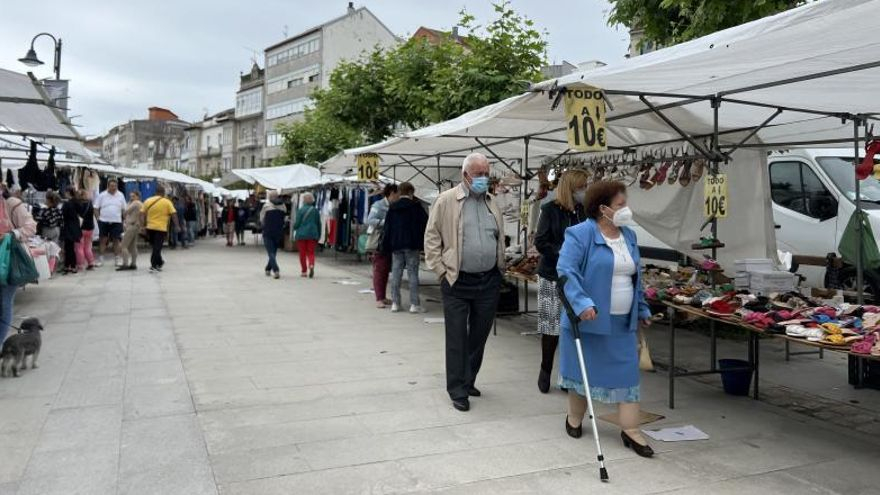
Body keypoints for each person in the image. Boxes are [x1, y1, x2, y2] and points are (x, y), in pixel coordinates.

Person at [556, 180, 654, 458]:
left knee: (627, 378)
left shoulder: (629, 237)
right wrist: (582, 303)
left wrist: (642, 309)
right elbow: (566, 271)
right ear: (603, 209)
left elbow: (637, 279)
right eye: (621, 205)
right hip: (588, 321)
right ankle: (574, 418)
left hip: (622, 323)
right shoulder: (580, 234)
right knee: (582, 374)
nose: (627, 210)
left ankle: (631, 430)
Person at [424, 153, 505, 412]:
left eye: (486, 173)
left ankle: (468, 378)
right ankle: (457, 389)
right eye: (478, 174)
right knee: (457, 336)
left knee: (479, 334)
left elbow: (497, 235)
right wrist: (440, 271)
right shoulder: (446, 200)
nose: (483, 178)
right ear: (465, 175)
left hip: (488, 280)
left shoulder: (492, 202)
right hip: (457, 280)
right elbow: (432, 237)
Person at [534, 169, 589, 393]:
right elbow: (541, 241)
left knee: (573, 328)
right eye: (582, 187)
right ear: (571, 188)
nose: (585, 191)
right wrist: (565, 254)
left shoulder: (584, 211)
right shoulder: (550, 209)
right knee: (551, 328)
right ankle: (545, 369)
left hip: (578, 278)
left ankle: (568, 374)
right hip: (553, 276)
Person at [382, 182, 428, 314]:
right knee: (413, 273)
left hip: (396, 245)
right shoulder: (416, 207)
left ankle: (396, 303)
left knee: (396, 273)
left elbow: (387, 228)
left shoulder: (393, 207)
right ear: (411, 192)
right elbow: (425, 224)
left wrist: (387, 245)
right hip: (412, 244)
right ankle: (414, 304)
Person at [0, 183, 36, 344]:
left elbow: (30, 227)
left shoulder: (11, 203)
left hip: (8, 262)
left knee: (4, 303)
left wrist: (10, 235)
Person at [366, 184, 399, 308]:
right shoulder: (378, 205)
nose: (399, 196)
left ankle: (383, 296)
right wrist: (387, 223)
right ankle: (379, 298)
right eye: (397, 194)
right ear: (391, 193)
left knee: (386, 271)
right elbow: (370, 220)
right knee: (380, 270)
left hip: (391, 242)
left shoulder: (395, 206)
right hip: (380, 243)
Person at [141, 185, 179, 273]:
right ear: (163, 193)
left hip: (150, 227)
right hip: (161, 228)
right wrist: (177, 225)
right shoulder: (167, 202)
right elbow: (174, 214)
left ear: (155, 192)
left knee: (155, 247)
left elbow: (142, 213)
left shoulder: (148, 200)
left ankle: (159, 262)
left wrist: (142, 225)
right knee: (157, 247)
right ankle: (154, 265)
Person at [93, 179, 126, 266]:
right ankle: (101, 259)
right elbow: (96, 207)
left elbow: (123, 209)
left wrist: (125, 220)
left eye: (115, 186)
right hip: (103, 221)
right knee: (103, 240)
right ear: (108, 186)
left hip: (117, 221)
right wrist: (98, 218)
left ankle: (117, 259)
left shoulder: (121, 195)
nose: (113, 188)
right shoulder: (102, 195)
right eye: (111, 186)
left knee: (116, 240)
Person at [292, 192, 321, 278]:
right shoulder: (315, 211)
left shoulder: (300, 210)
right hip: (312, 234)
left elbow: (297, 224)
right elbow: (318, 223)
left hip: (301, 235)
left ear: (303, 200)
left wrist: (294, 227)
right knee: (311, 252)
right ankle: (311, 265)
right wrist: (318, 234)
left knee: (302, 253)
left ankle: (304, 271)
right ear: (312, 200)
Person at [260, 191, 287, 279]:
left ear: (270, 197)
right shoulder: (283, 206)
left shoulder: (266, 206)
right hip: (278, 232)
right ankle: (268, 269)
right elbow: (285, 218)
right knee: (273, 252)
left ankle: (276, 270)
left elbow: (262, 218)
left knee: (270, 252)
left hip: (268, 231)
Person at [117, 191, 143, 271]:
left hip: (131, 226)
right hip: (135, 226)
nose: (131, 198)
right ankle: (133, 264)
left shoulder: (136, 203)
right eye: (130, 196)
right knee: (132, 246)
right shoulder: (140, 203)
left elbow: (125, 211)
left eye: (133, 196)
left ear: (138, 196)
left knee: (123, 245)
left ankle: (125, 264)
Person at [60, 187, 82, 275]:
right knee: (71, 248)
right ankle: (71, 265)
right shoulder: (76, 202)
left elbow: (63, 214)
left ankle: (70, 266)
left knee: (68, 248)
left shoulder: (67, 203)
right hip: (75, 226)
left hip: (68, 227)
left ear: (68, 193)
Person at [75, 189, 97, 271]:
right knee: (88, 247)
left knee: (79, 247)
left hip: (81, 228)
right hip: (90, 228)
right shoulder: (90, 203)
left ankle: (80, 265)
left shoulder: (77, 204)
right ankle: (91, 262)